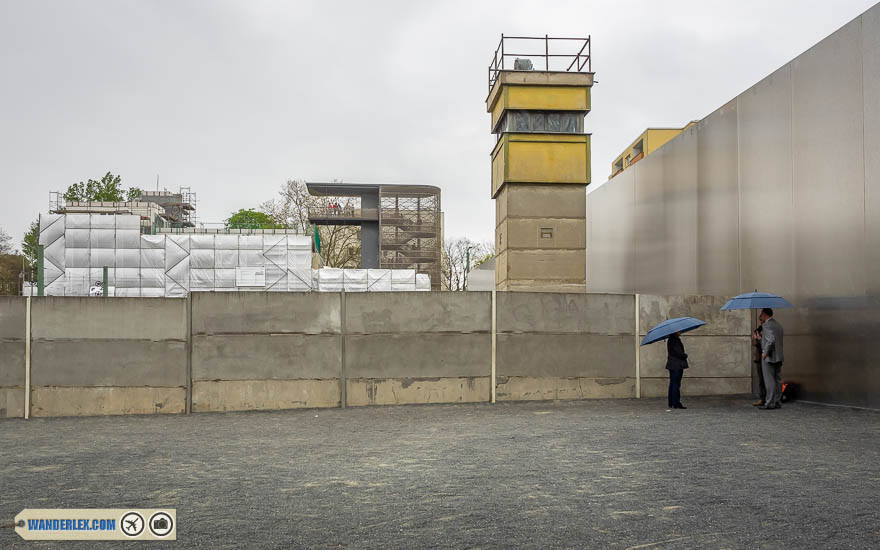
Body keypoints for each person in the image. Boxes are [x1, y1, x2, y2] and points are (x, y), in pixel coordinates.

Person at [759, 307, 784, 410]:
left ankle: (769, 403)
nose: (761, 316)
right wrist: (761, 339)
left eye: (761, 314)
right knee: (778, 380)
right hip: (779, 356)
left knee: (769, 380)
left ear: (765, 314)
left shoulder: (766, 325)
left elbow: (771, 340)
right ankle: (777, 402)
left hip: (769, 357)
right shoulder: (778, 325)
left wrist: (764, 352)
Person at [666, 331, 688, 409]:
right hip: (677, 365)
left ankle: (671, 402)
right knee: (676, 384)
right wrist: (685, 355)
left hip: (672, 364)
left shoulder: (670, 340)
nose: (681, 331)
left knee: (672, 384)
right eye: (679, 330)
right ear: (675, 332)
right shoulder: (675, 340)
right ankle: (676, 403)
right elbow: (679, 353)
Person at [751, 319, 767, 406]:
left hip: (767, 357)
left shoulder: (769, 329)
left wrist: (761, 339)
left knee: (768, 379)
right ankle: (762, 398)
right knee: (761, 380)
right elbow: (753, 343)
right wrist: (756, 338)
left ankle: (770, 398)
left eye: (762, 320)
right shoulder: (758, 330)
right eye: (760, 320)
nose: (761, 322)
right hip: (759, 358)